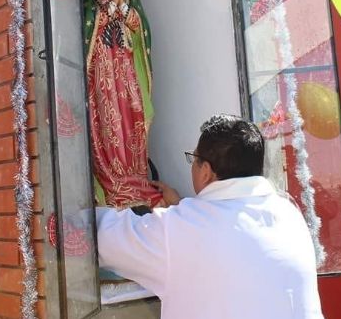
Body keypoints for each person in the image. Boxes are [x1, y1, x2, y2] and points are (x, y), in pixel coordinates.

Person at [96, 114, 325, 319]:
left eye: (193, 159)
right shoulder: (289, 216)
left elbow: (101, 237)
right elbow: (229, 238)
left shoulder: (181, 232)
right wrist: (179, 207)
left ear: (205, 171)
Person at [82, 0, 163, 209]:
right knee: (107, 117)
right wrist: (109, 7)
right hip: (102, 63)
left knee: (132, 113)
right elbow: (88, 25)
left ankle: (135, 175)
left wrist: (123, 5)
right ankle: (112, 178)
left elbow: (138, 25)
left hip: (125, 63)